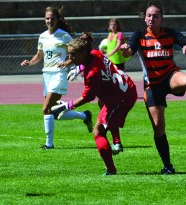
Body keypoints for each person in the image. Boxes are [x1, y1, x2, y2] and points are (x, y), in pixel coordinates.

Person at [120, 2, 186, 174]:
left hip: (170, 76)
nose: (151, 18)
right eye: (149, 15)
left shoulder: (170, 33)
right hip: (152, 85)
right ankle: (168, 166)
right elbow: (128, 52)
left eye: (155, 16)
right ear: (144, 18)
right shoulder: (139, 35)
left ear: (161, 18)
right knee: (158, 127)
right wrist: (124, 49)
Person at [51, 32, 137, 175]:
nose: (70, 58)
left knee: (98, 132)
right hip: (125, 89)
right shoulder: (95, 53)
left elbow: (87, 97)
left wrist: (66, 107)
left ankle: (111, 169)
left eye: (73, 55)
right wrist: (79, 68)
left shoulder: (92, 74)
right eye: (69, 54)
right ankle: (116, 145)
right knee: (102, 111)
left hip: (120, 99)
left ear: (84, 53)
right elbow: (91, 62)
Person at [20, 6, 92, 149]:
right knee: (53, 111)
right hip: (46, 75)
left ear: (58, 20)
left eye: (52, 18)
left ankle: (49, 144)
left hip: (59, 75)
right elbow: (39, 56)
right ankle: (84, 116)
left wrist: (67, 62)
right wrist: (30, 62)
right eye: (47, 18)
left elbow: (78, 53)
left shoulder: (64, 36)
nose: (49, 21)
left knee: (46, 108)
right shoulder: (42, 36)